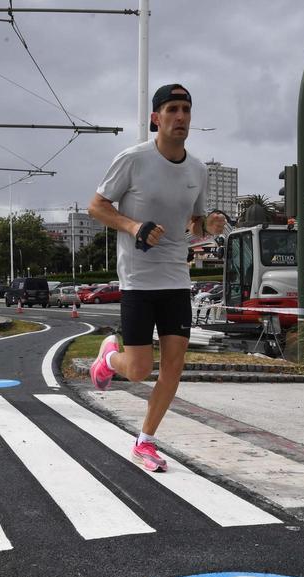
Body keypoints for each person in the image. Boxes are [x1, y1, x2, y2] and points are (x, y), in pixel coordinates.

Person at [87, 83, 226, 473]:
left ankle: (145, 441)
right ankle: (108, 358)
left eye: (186, 109)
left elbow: (194, 222)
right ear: (156, 118)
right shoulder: (132, 160)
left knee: (174, 366)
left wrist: (209, 225)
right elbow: (97, 206)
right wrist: (133, 226)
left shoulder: (198, 170)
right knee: (138, 370)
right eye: (172, 110)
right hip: (137, 279)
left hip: (176, 278)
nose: (180, 117)